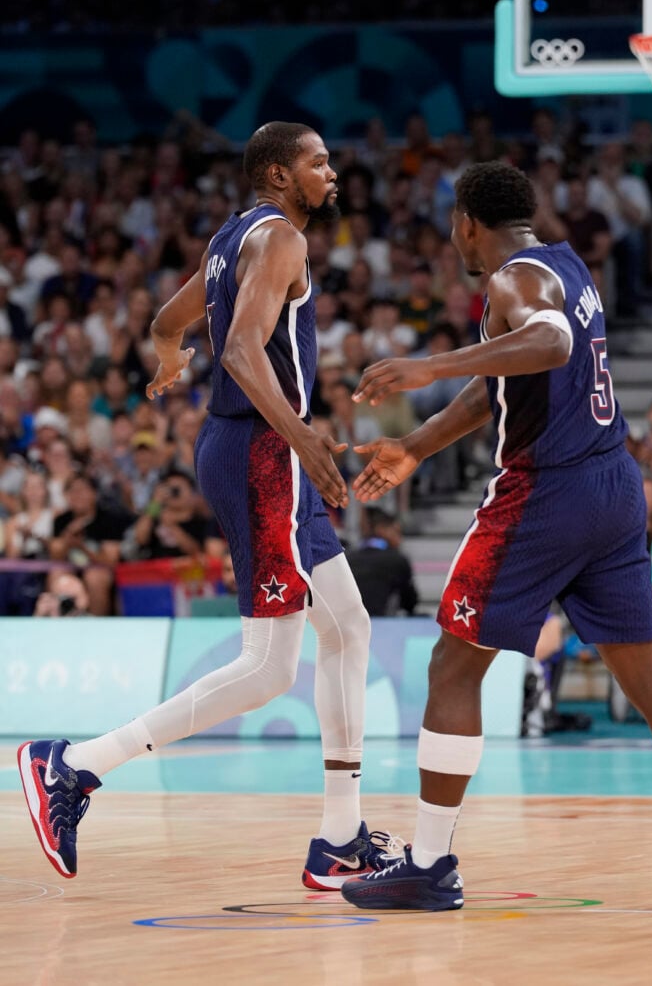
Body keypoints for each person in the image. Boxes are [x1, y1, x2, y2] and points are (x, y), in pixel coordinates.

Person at [339, 161, 652, 911]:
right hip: (613, 487)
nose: (454, 238)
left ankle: (429, 862)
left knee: (452, 663)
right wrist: (418, 444)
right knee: (645, 680)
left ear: (468, 222)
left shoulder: (513, 281)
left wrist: (430, 364)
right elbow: (508, 381)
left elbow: (548, 345)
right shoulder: (570, 264)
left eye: (454, 225)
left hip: (546, 492)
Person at [18, 122, 398, 889]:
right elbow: (238, 351)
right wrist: (307, 441)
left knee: (348, 627)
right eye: (318, 161)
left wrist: (167, 365)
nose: (332, 171)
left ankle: (340, 837)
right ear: (281, 174)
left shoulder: (231, 238)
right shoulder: (282, 238)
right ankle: (74, 765)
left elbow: (167, 325)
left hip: (246, 446)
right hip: (264, 452)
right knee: (266, 666)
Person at [344, 507, 420, 617]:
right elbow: (410, 602)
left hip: (347, 624)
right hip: (381, 624)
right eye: (397, 532)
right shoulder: (397, 560)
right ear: (381, 529)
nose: (400, 538)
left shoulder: (347, 557)